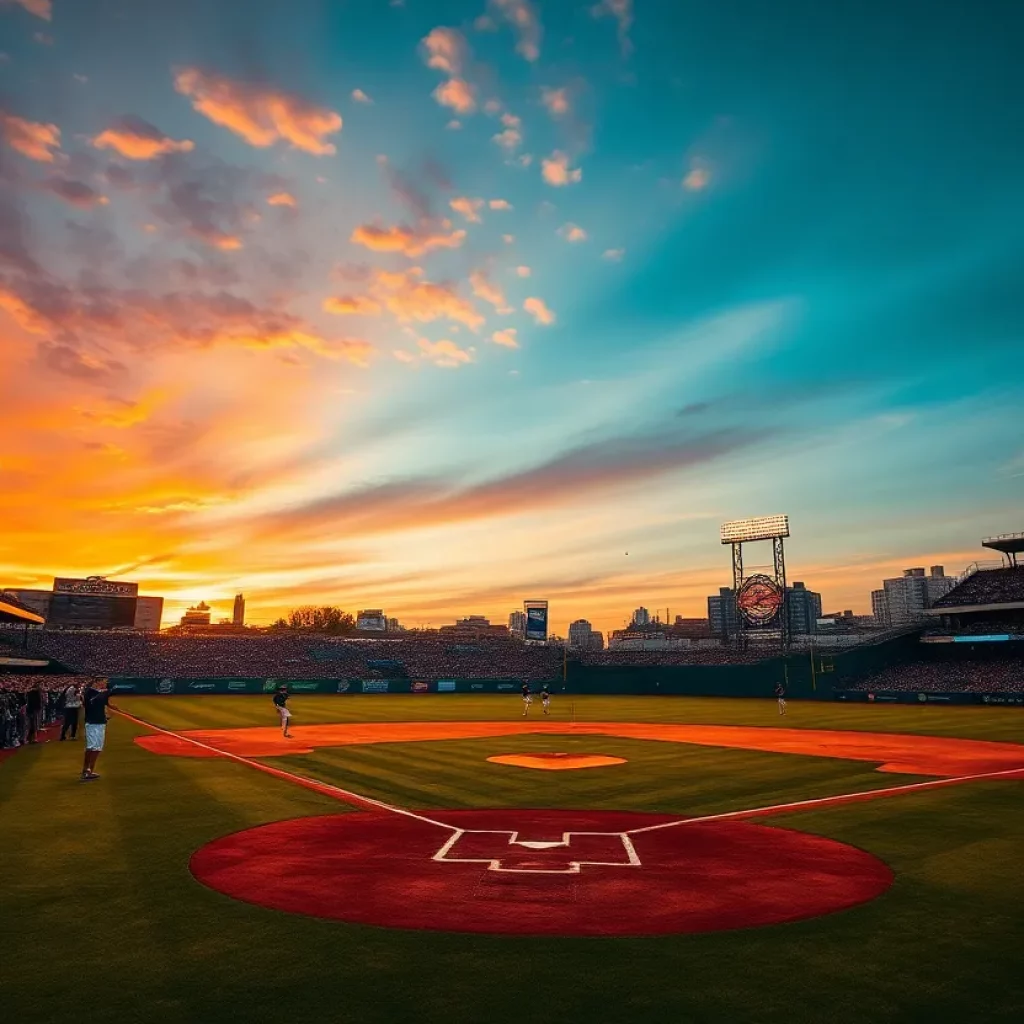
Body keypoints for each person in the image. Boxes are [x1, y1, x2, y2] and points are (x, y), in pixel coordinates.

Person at [81, 679, 115, 781]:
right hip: (93, 723)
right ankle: (87, 771)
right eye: (103, 682)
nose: (105, 684)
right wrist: (106, 692)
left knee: (96, 748)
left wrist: (107, 712)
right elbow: (97, 699)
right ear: (97, 682)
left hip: (98, 722)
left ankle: (88, 770)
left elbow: (102, 702)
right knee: (93, 748)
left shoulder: (94, 693)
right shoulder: (90, 693)